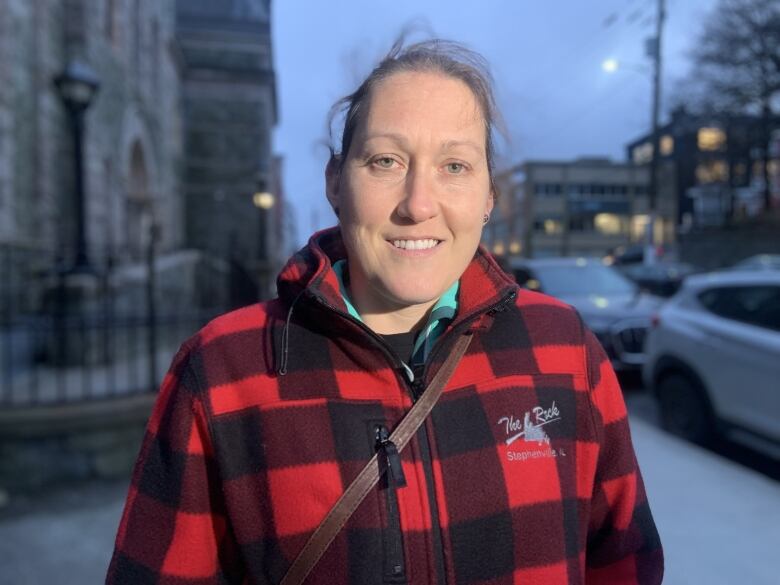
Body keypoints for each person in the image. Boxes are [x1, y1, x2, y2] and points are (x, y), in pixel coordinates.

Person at [106, 39, 663, 584]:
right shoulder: (224, 371)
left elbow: (625, 562)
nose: (419, 204)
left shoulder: (562, 347)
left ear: (489, 197)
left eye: (455, 166)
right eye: (386, 160)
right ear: (334, 182)